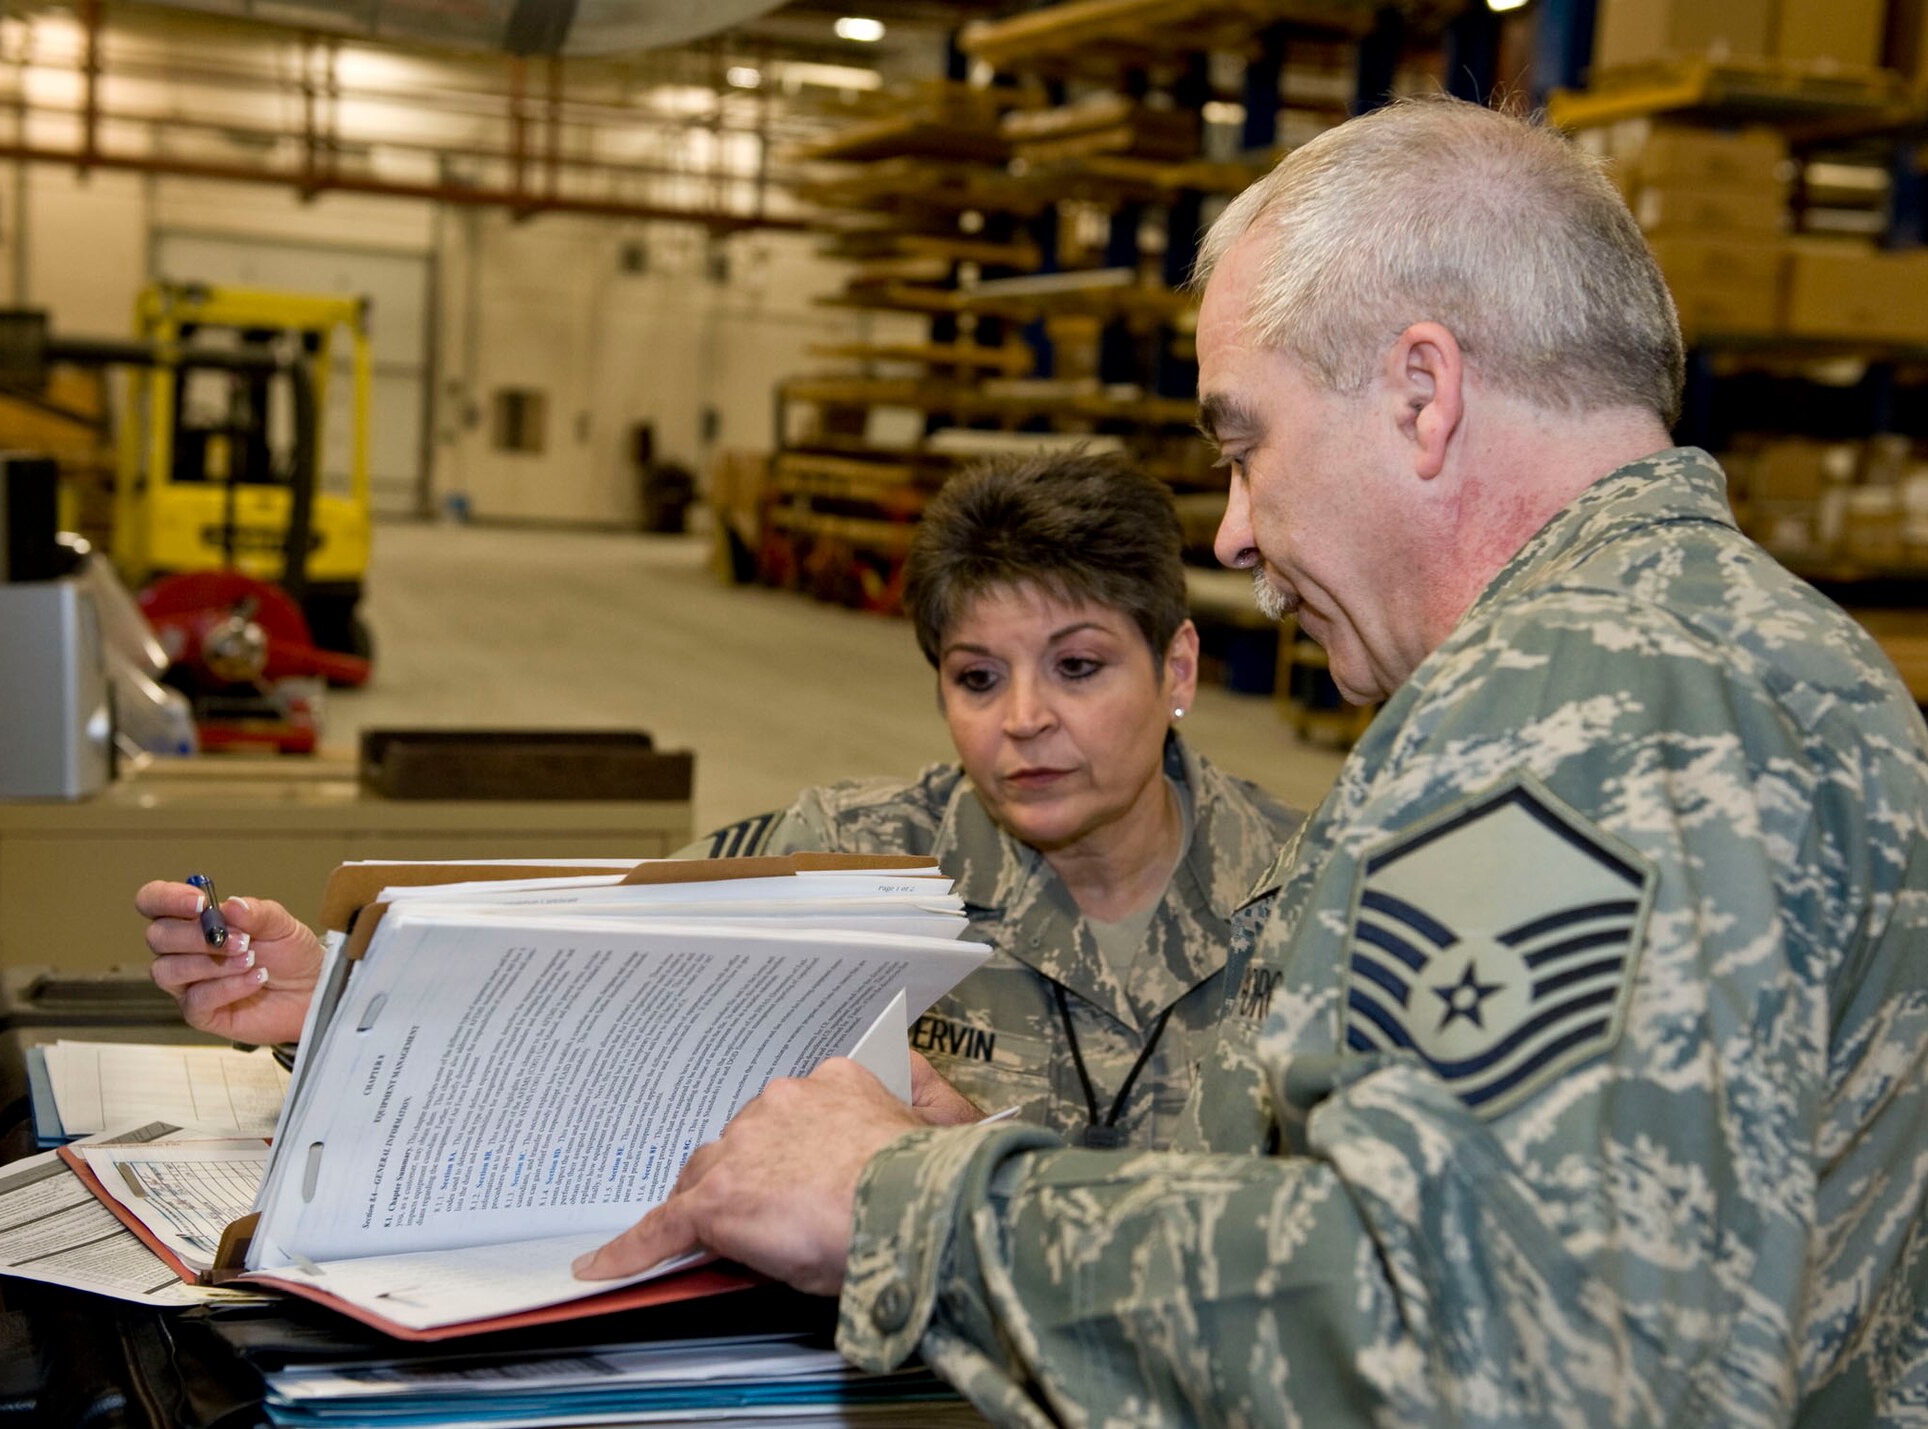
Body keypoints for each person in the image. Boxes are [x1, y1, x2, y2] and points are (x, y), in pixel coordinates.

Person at [579, 97, 1928, 1426]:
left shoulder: (1565, 706)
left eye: (1246, 443)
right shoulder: (1783, 655)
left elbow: (1501, 1352)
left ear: (1420, 394)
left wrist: (899, 1203)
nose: (1232, 532)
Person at [136, 451, 1300, 1152]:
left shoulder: (1320, 896)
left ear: (1178, 670)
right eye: (976, 676)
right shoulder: (849, 866)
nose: (1023, 719)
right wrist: (338, 993)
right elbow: (574, 973)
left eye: (1079, 666)